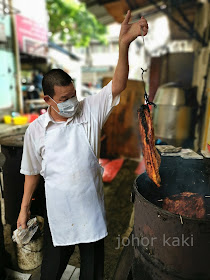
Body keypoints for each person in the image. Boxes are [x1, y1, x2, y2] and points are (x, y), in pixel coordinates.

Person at [17, 11, 148, 280]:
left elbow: (119, 84)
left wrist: (124, 44)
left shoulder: (88, 111)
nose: (72, 102)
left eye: (74, 94)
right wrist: (24, 209)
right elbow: (31, 170)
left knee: (92, 274)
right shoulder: (36, 131)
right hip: (59, 215)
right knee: (50, 273)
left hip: (90, 213)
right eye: (65, 98)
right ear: (48, 100)